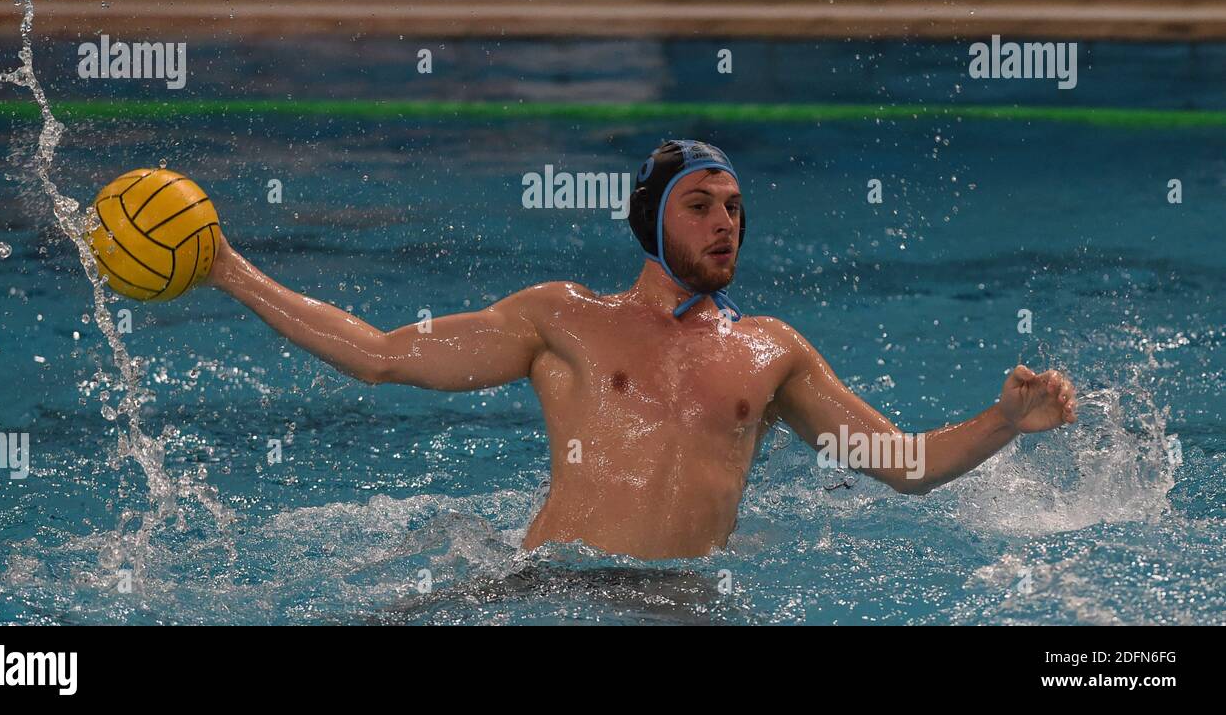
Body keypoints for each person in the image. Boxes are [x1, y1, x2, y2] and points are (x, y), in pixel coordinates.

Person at [207, 139, 1077, 560]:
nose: (725, 221)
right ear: (652, 218)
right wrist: (229, 269)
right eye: (701, 204)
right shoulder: (563, 319)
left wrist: (1004, 419)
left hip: (679, 606)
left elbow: (901, 464)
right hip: (546, 591)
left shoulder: (772, 353)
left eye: (734, 205)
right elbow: (381, 356)